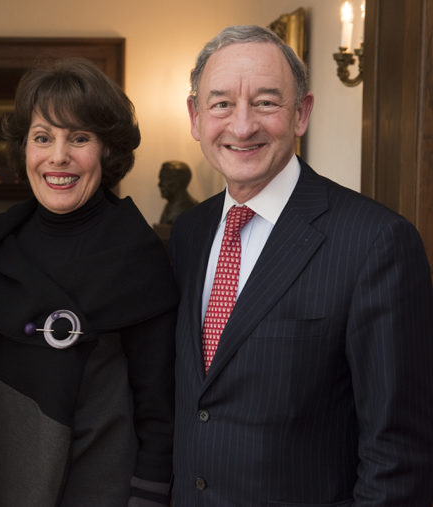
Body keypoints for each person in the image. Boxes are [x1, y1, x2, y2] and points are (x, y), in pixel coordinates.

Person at [169, 25, 433, 505]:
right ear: (195, 116)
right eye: (221, 103)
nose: (242, 125)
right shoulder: (187, 235)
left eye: (266, 102)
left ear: (301, 113)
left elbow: (397, 455)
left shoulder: (375, 243)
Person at [0, 58, 177, 506]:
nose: (58, 156)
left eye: (79, 138)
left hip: (99, 489)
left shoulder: (140, 258)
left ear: (107, 151)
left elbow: (159, 411)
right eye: (43, 138)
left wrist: (149, 498)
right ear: (25, 149)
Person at [158, 160, 197, 224]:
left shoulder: (191, 209)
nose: (160, 184)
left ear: (178, 182)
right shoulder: (169, 207)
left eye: (165, 179)